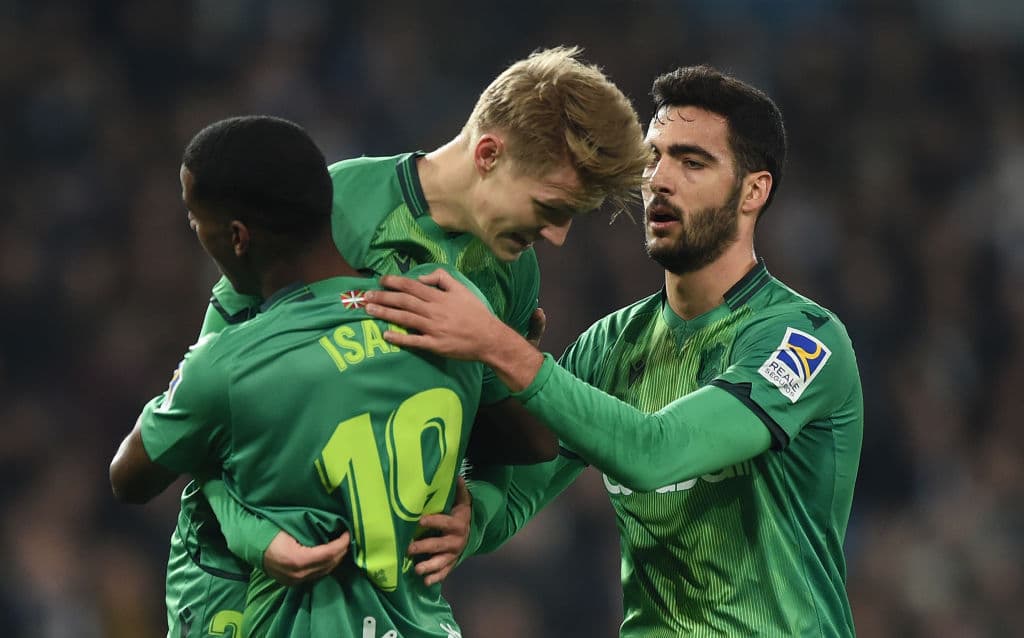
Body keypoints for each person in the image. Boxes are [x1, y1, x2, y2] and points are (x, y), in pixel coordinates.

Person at [158, 47, 650, 638]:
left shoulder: (512, 273)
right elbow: (203, 408)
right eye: (550, 208)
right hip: (242, 583)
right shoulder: (336, 209)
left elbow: (499, 436)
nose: (558, 236)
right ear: (489, 154)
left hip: (381, 596)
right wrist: (256, 538)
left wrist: (480, 510)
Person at [363, 65, 864, 636]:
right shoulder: (611, 346)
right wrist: (472, 518)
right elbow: (522, 489)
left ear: (754, 190)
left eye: (692, 162)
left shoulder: (802, 338)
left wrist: (496, 343)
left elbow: (656, 453)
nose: (661, 181)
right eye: (654, 159)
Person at [110, 115, 496, 637]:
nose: (193, 231)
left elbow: (128, 477)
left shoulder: (231, 366)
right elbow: (534, 440)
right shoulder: (452, 309)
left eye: (193, 216)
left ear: (238, 237)